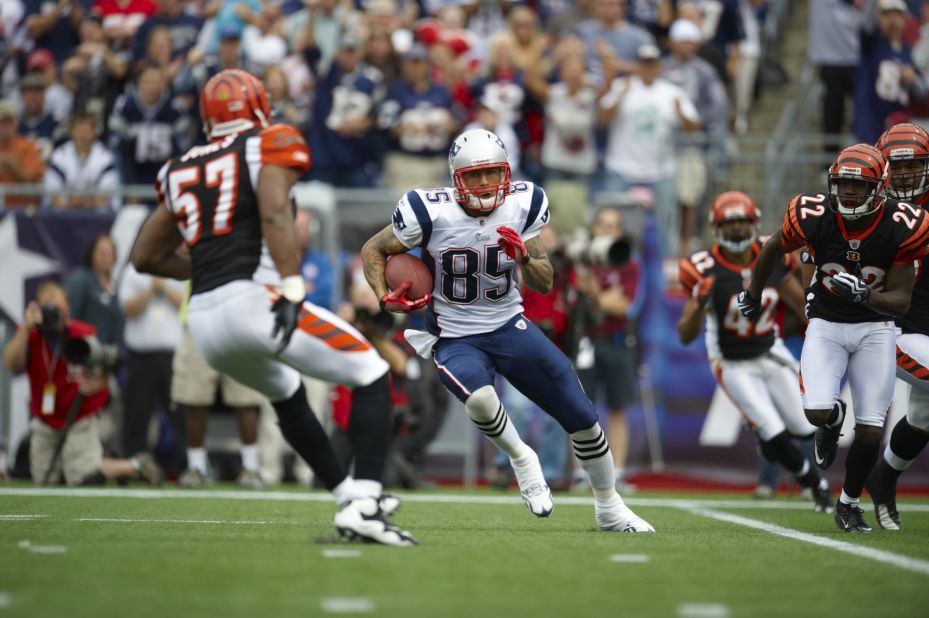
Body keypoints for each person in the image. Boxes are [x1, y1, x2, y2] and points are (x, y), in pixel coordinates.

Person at [130, 68, 414, 546]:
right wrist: (290, 286)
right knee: (371, 370)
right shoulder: (266, 143)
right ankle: (366, 500)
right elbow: (274, 211)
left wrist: (206, 266)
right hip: (255, 301)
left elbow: (145, 256)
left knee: (286, 393)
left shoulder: (181, 167)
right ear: (258, 107)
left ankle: (347, 495)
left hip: (204, 320)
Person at [361, 128, 654, 533]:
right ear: (455, 178)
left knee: (583, 416)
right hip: (455, 334)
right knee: (480, 400)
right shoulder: (427, 210)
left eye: (492, 173)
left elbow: (545, 281)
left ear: (507, 172)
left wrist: (525, 259)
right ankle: (521, 458)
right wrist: (384, 297)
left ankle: (609, 507)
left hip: (510, 325)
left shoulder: (523, 203)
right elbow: (373, 250)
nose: (485, 184)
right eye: (475, 175)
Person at [739, 144, 929, 533]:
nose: (849, 193)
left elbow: (901, 300)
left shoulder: (902, 224)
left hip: (877, 327)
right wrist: (753, 294)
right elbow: (773, 246)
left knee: (872, 428)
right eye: (843, 184)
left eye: (859, 187)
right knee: (816, 412)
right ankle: (833, 418)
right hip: (826, 323)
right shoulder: (813, 214)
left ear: (880, 188)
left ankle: (849, 503)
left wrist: (865, 294)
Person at [677, 191, 833, 512]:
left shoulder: (772, 255)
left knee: (806, 424)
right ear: (716, 227)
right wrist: (697, 303)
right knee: (771, 429)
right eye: (729, 223)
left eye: (742, 222)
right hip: (732, 361)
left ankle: (799, 467)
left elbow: (802, 306)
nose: (736, 229)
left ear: (754, 223)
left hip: (769, 349)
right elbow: (685, 334)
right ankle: (814, 484)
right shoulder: (702, 268)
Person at [2, 281, 162, 486]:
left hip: (79, 414)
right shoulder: (31, 335)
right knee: (45, 479)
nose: (53, 314)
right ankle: (119, 463)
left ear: (67, 308)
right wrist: (25, 327)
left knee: (82, 476)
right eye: (47, 308)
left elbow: (110, 360)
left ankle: (134, 465)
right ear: (38, 309)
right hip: (45, 418)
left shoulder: (83, 333)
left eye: (57, 308)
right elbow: (11, 363)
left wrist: (101, 381)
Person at [865, 123, 929, 529]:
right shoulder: (867, 210)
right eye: (896, 166)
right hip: (892, 329)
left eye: (913, 165)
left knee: (923, 419)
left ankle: (883, 477)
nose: (904, 174)